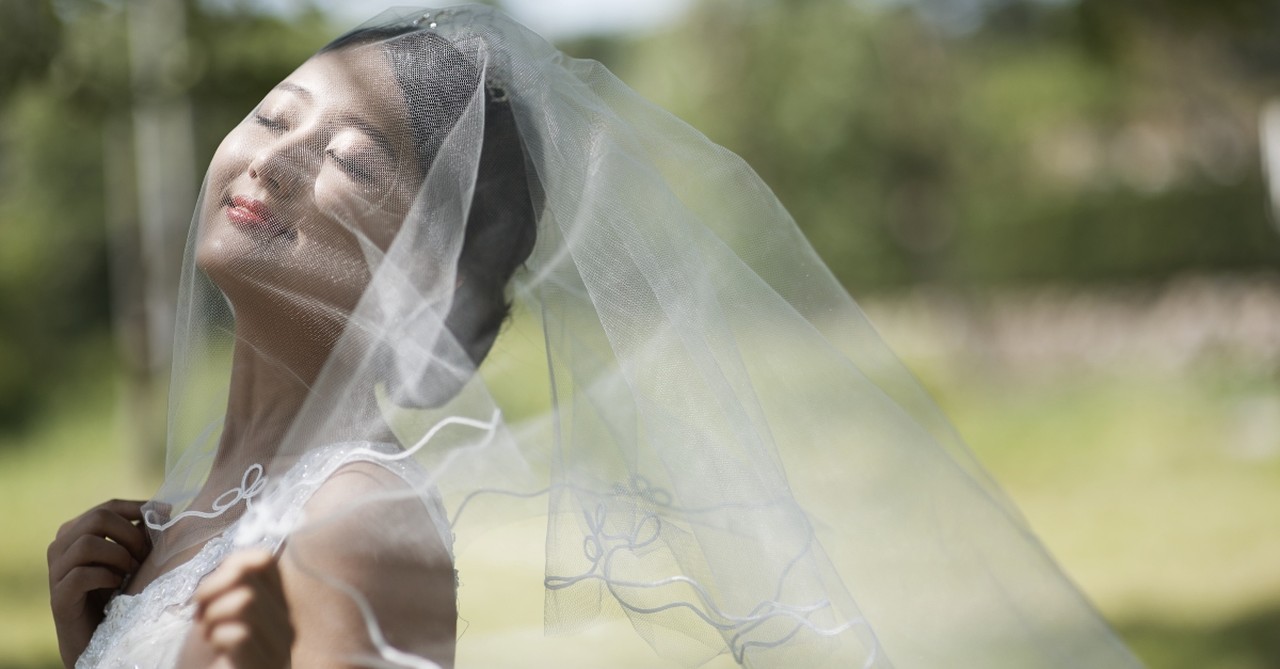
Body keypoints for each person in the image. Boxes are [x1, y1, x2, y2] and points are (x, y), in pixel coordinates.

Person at [48, 5, 1145, 668]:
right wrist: (84, 637)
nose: (274, 159)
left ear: (424, 270)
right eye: (278, 115)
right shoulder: (171, 523)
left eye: (353, 160)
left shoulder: (359, 519)